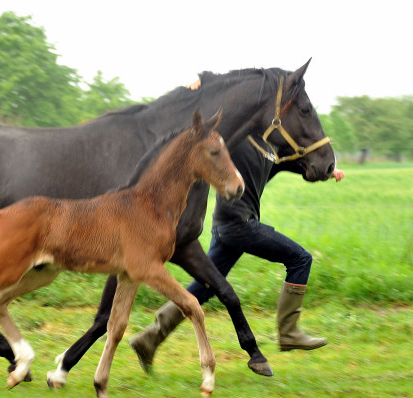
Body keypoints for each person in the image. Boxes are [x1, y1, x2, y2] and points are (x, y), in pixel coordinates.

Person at [129, 134, 345, 373]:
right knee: (300, 259)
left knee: (206, 286)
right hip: (240, 225)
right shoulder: (239, 139)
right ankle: (289, 331)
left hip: (227, 227)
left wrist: (329, 171)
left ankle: (149, 339)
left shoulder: (266, 149)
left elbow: (289, 163)